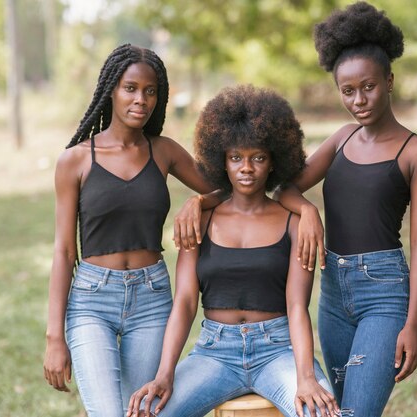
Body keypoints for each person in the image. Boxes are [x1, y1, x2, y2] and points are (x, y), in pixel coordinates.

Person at [126, 85, 339, 417]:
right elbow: (184, 301)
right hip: (214, 353)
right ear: (221, 161)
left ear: (274, 162)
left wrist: (306, 377)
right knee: (150, 414)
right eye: (236, 157)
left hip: (278, 350)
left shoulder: (294, 223)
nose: (247, 168)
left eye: (258, 157)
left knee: (323, 414)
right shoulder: (200, 220)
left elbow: (297, 306)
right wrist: (164, 375)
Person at [274, 2, 417, 416]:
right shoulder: (342, 139)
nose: (359, 100)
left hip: (384, 293)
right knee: (337, 408)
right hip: (333, 292)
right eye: (347, 91)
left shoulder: (416, 152)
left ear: (389, 80)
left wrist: (413, 324)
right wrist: (309, 212)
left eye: (368, 86)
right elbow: (285, 189)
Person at [42, 44, 215, 417]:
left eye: (150, 91)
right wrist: (55, 335)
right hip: (92, 301)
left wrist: (198, 202)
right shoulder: (75, 160)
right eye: (130, 88)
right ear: (111, 91)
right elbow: (63, 252)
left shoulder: (164, 151)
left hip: (151, 299)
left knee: (142, 412)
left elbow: (226, 189)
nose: (141, 99)